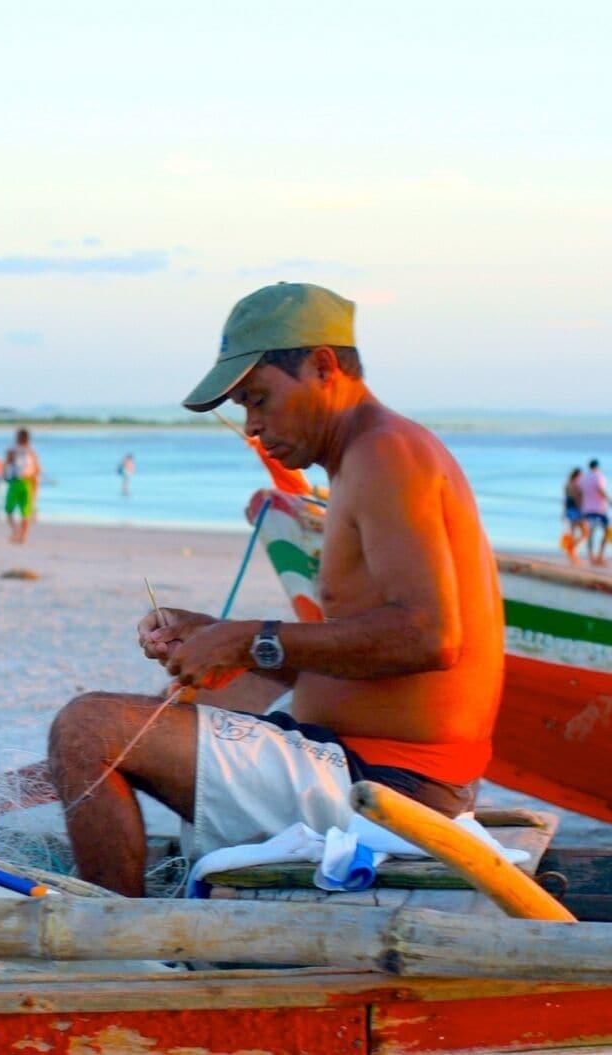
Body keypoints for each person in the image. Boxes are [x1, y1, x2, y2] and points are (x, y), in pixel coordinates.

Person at [39, 282, 505, 897]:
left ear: (322, 366)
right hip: (361, 762)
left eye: (259, 399)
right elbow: (371, 657)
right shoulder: (368, 457)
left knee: (86, 728)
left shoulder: (387, 454)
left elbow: (430, 637)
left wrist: (254, 641)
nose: (254, 428)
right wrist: (220, 638)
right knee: (175, 704)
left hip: (388, 786)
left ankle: (109, 944)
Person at [3, 428, 40, 544]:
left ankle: (16, 531)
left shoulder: (13, 451)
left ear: (17, 438)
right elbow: (37, 470)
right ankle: (22, 536)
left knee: (9, 510)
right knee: (26, 512)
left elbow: (6, 465)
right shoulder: (31, 452)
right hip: (27, 483)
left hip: (16, 482)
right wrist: (35, 487)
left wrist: (5, 476)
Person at [581, 458, 608, 566]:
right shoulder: (598, 476)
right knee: (606, 531)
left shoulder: (584, 478)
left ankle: (591, 556)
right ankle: (600, 555)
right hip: (599, 509)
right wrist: (609, 500)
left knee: (591, 533)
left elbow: (581, 492)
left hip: (587, 509)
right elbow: (600, 489)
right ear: (597, 466)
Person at [563, 467, 586, 564]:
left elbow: (566, 500)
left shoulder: (567, 484)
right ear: (577, 476)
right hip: (576, 510)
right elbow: (577, 499)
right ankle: (571, 550)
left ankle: (572, 554)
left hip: (569, 510)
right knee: (585, 533)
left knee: (574, 532)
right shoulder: (575, 485)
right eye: (581, 476)